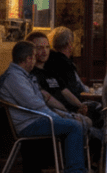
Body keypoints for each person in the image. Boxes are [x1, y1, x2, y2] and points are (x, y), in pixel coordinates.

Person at [0, 41, 89, 173]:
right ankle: (75, 170)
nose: (36, 60)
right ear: (28, 59)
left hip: (34, 118)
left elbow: (37, 103)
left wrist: (63, 116)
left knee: (77, 123)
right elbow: (35, 105)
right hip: (29, 123)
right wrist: (62, 116)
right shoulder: (15, 78)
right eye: (34, 56)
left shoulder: (22, 75)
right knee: (74, 126)